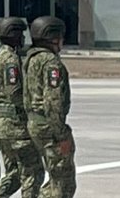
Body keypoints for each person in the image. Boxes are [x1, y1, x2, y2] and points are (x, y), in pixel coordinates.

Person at [0, 17, 44, 198]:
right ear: (12, 35)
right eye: (20, 34)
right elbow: (14, 91)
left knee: (13, 175)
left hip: (3, 125)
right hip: (16, 125)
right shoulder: (10, 59)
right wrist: (33, 105)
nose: (22, 38)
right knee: (32, 172)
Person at [24, 16, 75, 198]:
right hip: (49, 127)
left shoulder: (31, 58)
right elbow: (54, 101)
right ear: (53, 37)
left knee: (55, 178)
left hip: (35, 124)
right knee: (62, 182)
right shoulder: (51, 62)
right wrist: (60, 133)